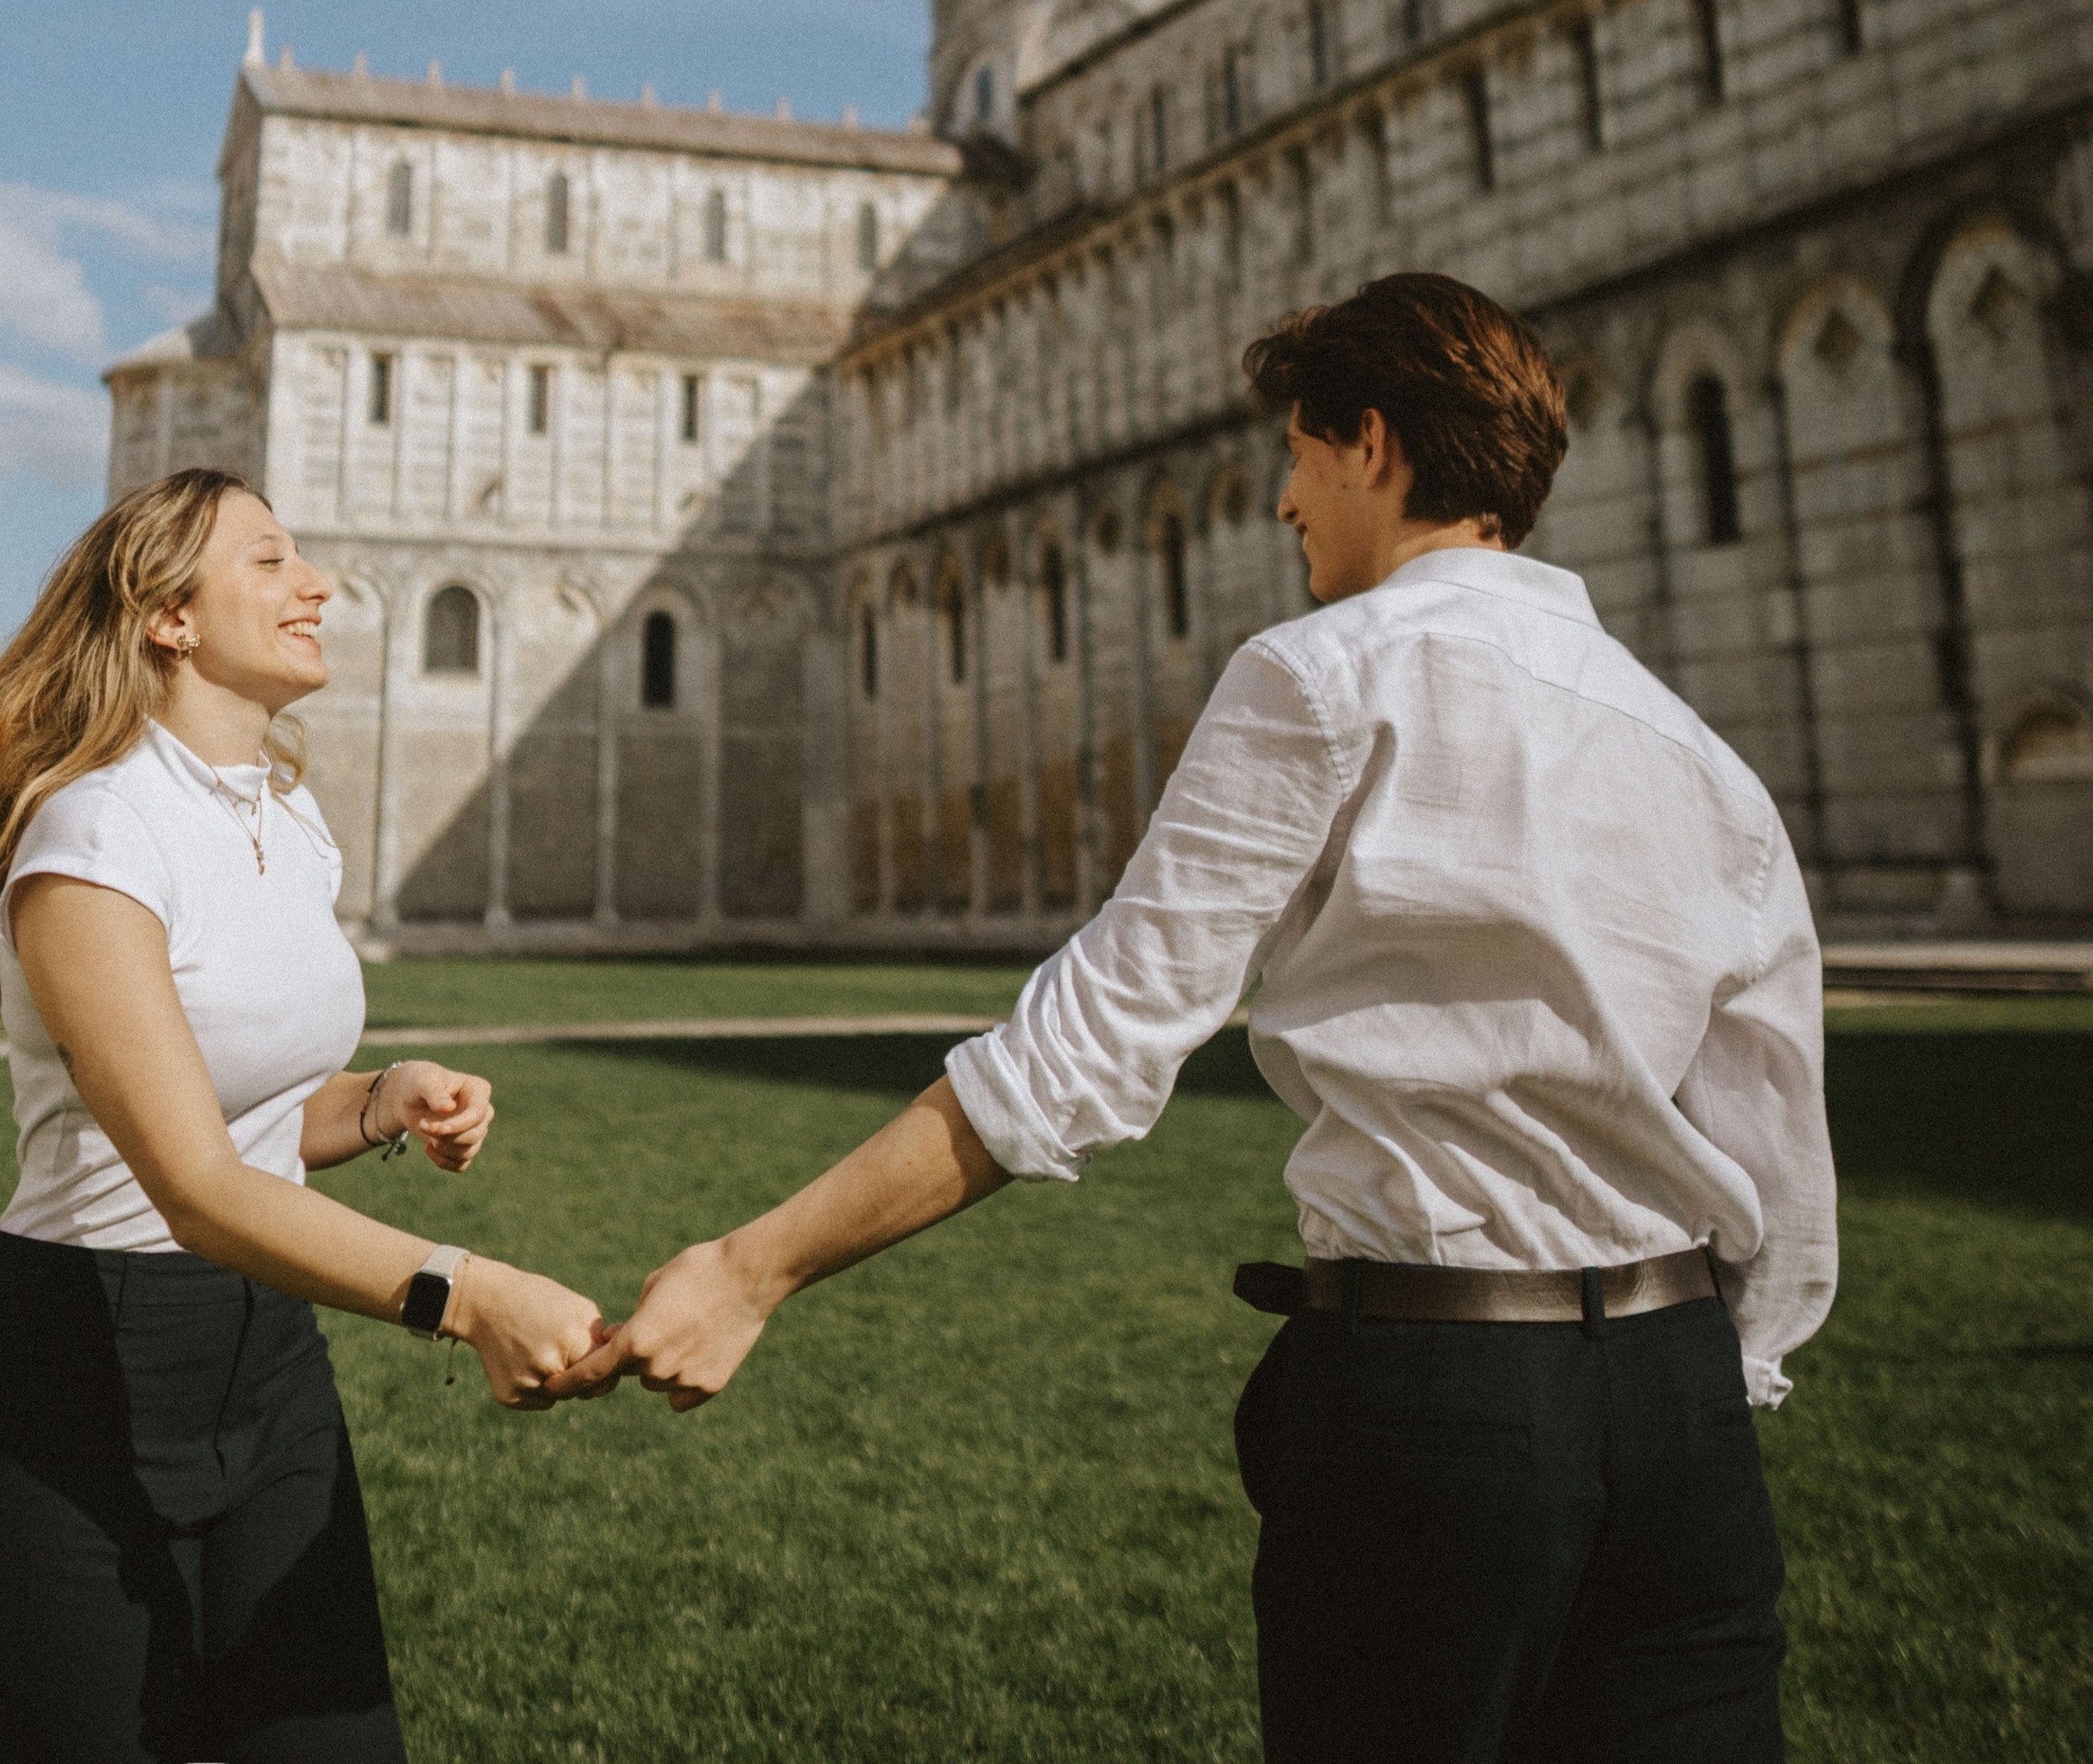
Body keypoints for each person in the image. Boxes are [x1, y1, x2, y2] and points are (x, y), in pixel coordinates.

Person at [570, 271, 1839, 1764]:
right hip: (1684, 1406)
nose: (1284, 505)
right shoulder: (1697, 754)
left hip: (1441, 1398)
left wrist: (753, 1265)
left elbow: (1087, 1053)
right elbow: (1777, 1138)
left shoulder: (1319, 678)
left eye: (1297, 459)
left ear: (1371, 445)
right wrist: (1713, 1373)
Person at [0, 468, 606, 1764]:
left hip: (267, 1364)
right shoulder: (92, 837)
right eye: (269, 561)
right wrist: (467, 1294)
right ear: (168, 616)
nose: (316, 584)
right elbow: (193, 1180)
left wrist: (377, 1101)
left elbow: (249, 1112)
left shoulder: (289, 821)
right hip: (75, 1377)